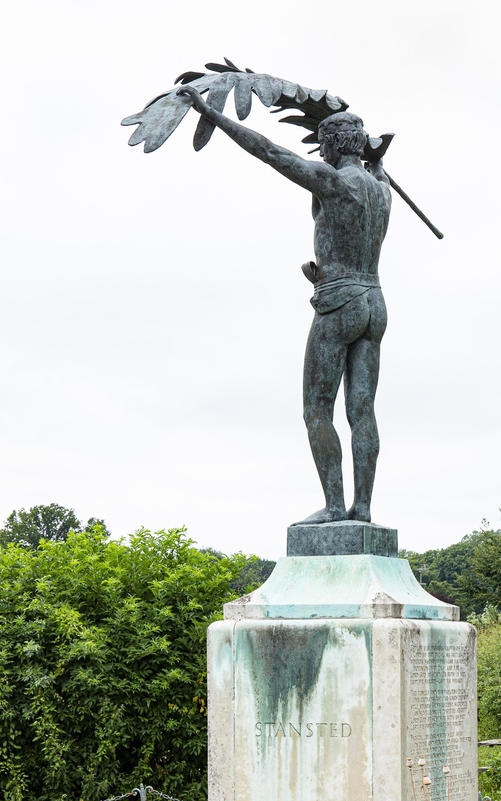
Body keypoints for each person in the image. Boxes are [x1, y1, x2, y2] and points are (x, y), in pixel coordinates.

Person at [177, 86, 391, 524]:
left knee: (317, 408)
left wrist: (211, 114)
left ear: (331, 145)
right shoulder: (382, 192)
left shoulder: (332, 180)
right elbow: (365, 208)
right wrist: (379, 164)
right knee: (362, 410)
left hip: (340, 303)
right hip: (374, 302)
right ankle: (362, 508)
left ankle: (335, 508)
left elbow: (270, 152)